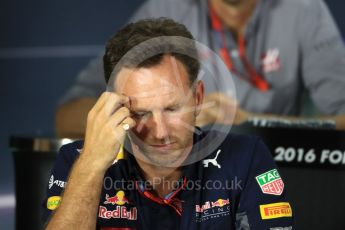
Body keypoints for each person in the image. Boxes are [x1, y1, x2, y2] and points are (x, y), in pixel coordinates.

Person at [43, 18, 294, 229]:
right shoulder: (77, 161)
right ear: (114, 109)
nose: (161, 132)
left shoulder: (245, 158)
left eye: (172, 108)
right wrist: (91, 166)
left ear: (197, 97)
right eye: (141, 113)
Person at [56, 0, 345, 138]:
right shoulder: (164, 10)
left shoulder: (304, 9)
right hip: (183, 185)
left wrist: (251, 123)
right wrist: (149, 114)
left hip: (275, 175)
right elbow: (69, 116)